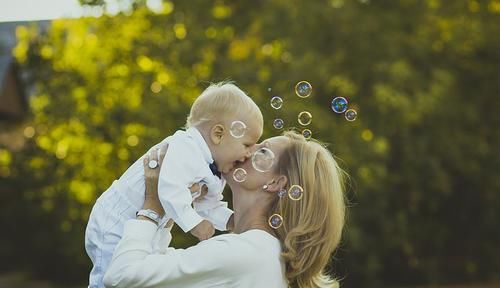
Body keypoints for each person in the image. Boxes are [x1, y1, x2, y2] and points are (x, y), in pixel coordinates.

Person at [103, 131, 347, 288]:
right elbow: (153, 272)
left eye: (262, 151)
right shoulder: (261, 253)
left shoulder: (244, 253)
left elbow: (122, 276)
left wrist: (152, 205)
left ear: (275, 183)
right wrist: (170, 209)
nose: (248, 150)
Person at [85, 82, 264, 288]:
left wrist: (231, 220)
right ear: (218, 134)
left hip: (150, 226)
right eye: (247, 145)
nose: (250, 153)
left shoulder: (215, 170)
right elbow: (170, 190)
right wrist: (194, 223)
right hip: (115, 218)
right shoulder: (185, 147)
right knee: (109, 274)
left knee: (139, 275)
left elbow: (210, 206)